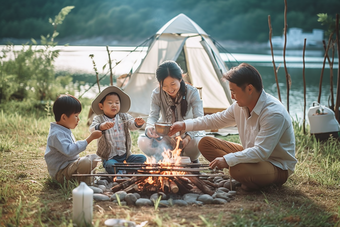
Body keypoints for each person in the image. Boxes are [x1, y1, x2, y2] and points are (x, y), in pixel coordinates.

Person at [168, 63, 297, 191]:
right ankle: (248, 179)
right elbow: (215, 120)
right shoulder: (240, 106)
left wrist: (227, 159)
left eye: (233, 91)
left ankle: (253, 181)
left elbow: (261, 152)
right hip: (252, 154)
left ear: (249, 89)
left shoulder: (273, 113)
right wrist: (184, 125)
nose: (232, 97)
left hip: (275, 165)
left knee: (237, 169)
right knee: (205, 143)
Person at [138, 60, 205, 162]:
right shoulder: (156, 94)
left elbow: (199, 118)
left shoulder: (192, 92)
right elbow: (153, 116)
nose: (169, 89)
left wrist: (187, 138)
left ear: (181, 78)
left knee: (196, 145)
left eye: (173, 84)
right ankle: (165, 157)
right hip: (166, 136)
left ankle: (188, 158)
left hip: (188, 136)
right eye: (164, 85)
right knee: (143, 141)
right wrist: (149, 128)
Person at [45, 94, 103, 185]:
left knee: (94, 158)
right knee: (86, 162)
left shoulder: (63, 129)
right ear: (64, 117)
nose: (78, 119)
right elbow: (69, 151)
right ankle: (83, 182)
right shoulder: (56, 134)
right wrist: (89, 139)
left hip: (69, 167)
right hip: (61, 173)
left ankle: (87, 179)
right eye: (76, 116)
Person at [89, 86, 147, 174]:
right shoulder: (99, 119)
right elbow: (92, 129)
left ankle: (122, 170)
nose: (114, 105)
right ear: (101, 106)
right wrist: (101, 126)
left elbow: (132, 125)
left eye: (117, 102)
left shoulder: (124, 116)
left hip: (126, 157)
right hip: (110, 158)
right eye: (110, 103)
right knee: (110, 165)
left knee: (142, 158)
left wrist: (137, 123)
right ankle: (125, 170)